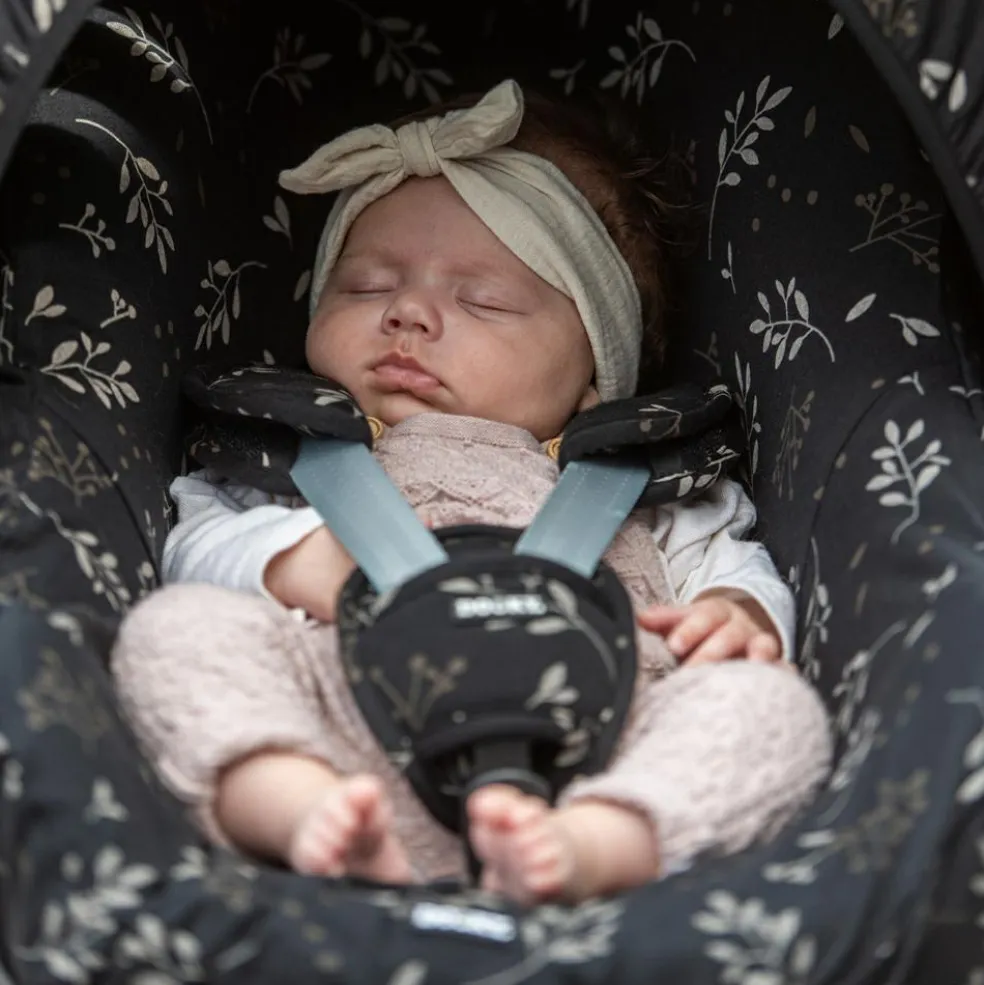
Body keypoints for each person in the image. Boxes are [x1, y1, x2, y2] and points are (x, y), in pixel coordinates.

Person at [111, 79, 831, 906]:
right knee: (175, 629)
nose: (408, 313)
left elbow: (733, 570)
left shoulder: (655, 486)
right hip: (340, 729)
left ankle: (596, 844)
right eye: (367, 287)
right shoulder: (279, 458)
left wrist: (738, 616)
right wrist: (293, 559)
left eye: (482, 300)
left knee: (768, 705)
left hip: (603, 737)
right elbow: (194, 548)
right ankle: (294, 804)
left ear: (599, 375)